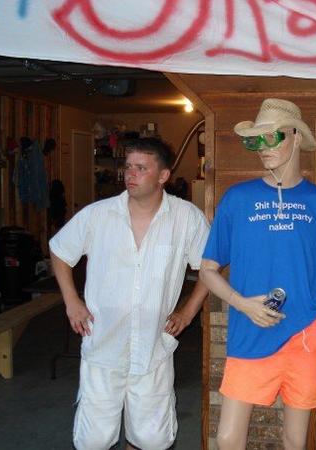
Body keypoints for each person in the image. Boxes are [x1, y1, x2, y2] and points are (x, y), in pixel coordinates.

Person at [199, 98, 316, 450]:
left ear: (297, 137)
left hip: (305, 336)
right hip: (249, 333)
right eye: (256, 140)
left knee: (294, 439)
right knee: (227, 438)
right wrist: (242, 304)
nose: (263, 148)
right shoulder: (237, 199)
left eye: (272, 137)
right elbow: (208, 269)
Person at [49, 137, 210, 450]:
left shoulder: (186, 218)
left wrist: (188, 311)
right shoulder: (98, 215)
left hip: (153, 347)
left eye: (141, 168)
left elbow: (209, 266)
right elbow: (59, 250)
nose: (130, 174)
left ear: (163, 175)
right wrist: (72, 301)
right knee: (93, 440)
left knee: (151, 439)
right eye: (128, 167)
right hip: (102, 343)